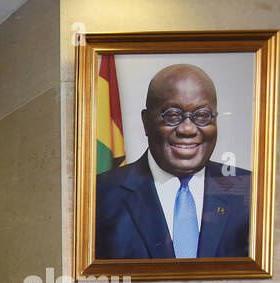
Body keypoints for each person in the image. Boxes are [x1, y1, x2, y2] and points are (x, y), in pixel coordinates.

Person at [95, 63, 251, 259]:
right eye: (173, 116)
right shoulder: (98, 196)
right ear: (146, 122)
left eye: (202, 116)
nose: (187, 129)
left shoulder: (253, 191)